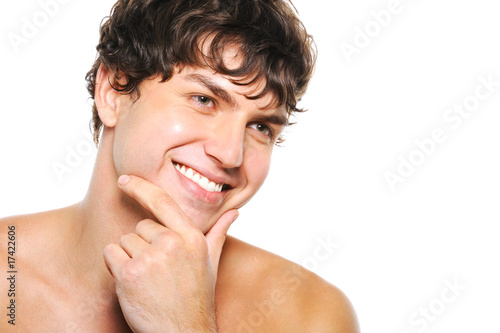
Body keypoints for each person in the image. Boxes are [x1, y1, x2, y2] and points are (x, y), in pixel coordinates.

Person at [1, 0, 359, 331]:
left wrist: (184, 322)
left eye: (260, 126)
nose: (231, 154)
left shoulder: (305, 314)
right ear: (113, 91)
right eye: (204, 99)